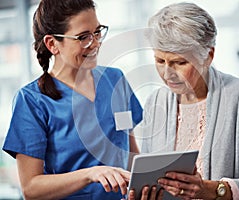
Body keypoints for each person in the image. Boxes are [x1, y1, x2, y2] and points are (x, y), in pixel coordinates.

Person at [129, 2, 239, 200]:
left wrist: (210, 190)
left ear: (208, 56)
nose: (167, 74)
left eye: (180, 62)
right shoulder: (155, 102)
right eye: (160, 61)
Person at [2, 0, 143, 199]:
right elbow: (31, 189)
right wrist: (90, 174)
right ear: (52, 44)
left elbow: (131, 154)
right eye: (83, 37)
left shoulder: (115, 80)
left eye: (97, 32)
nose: (95, 43)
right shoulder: (32, 101)